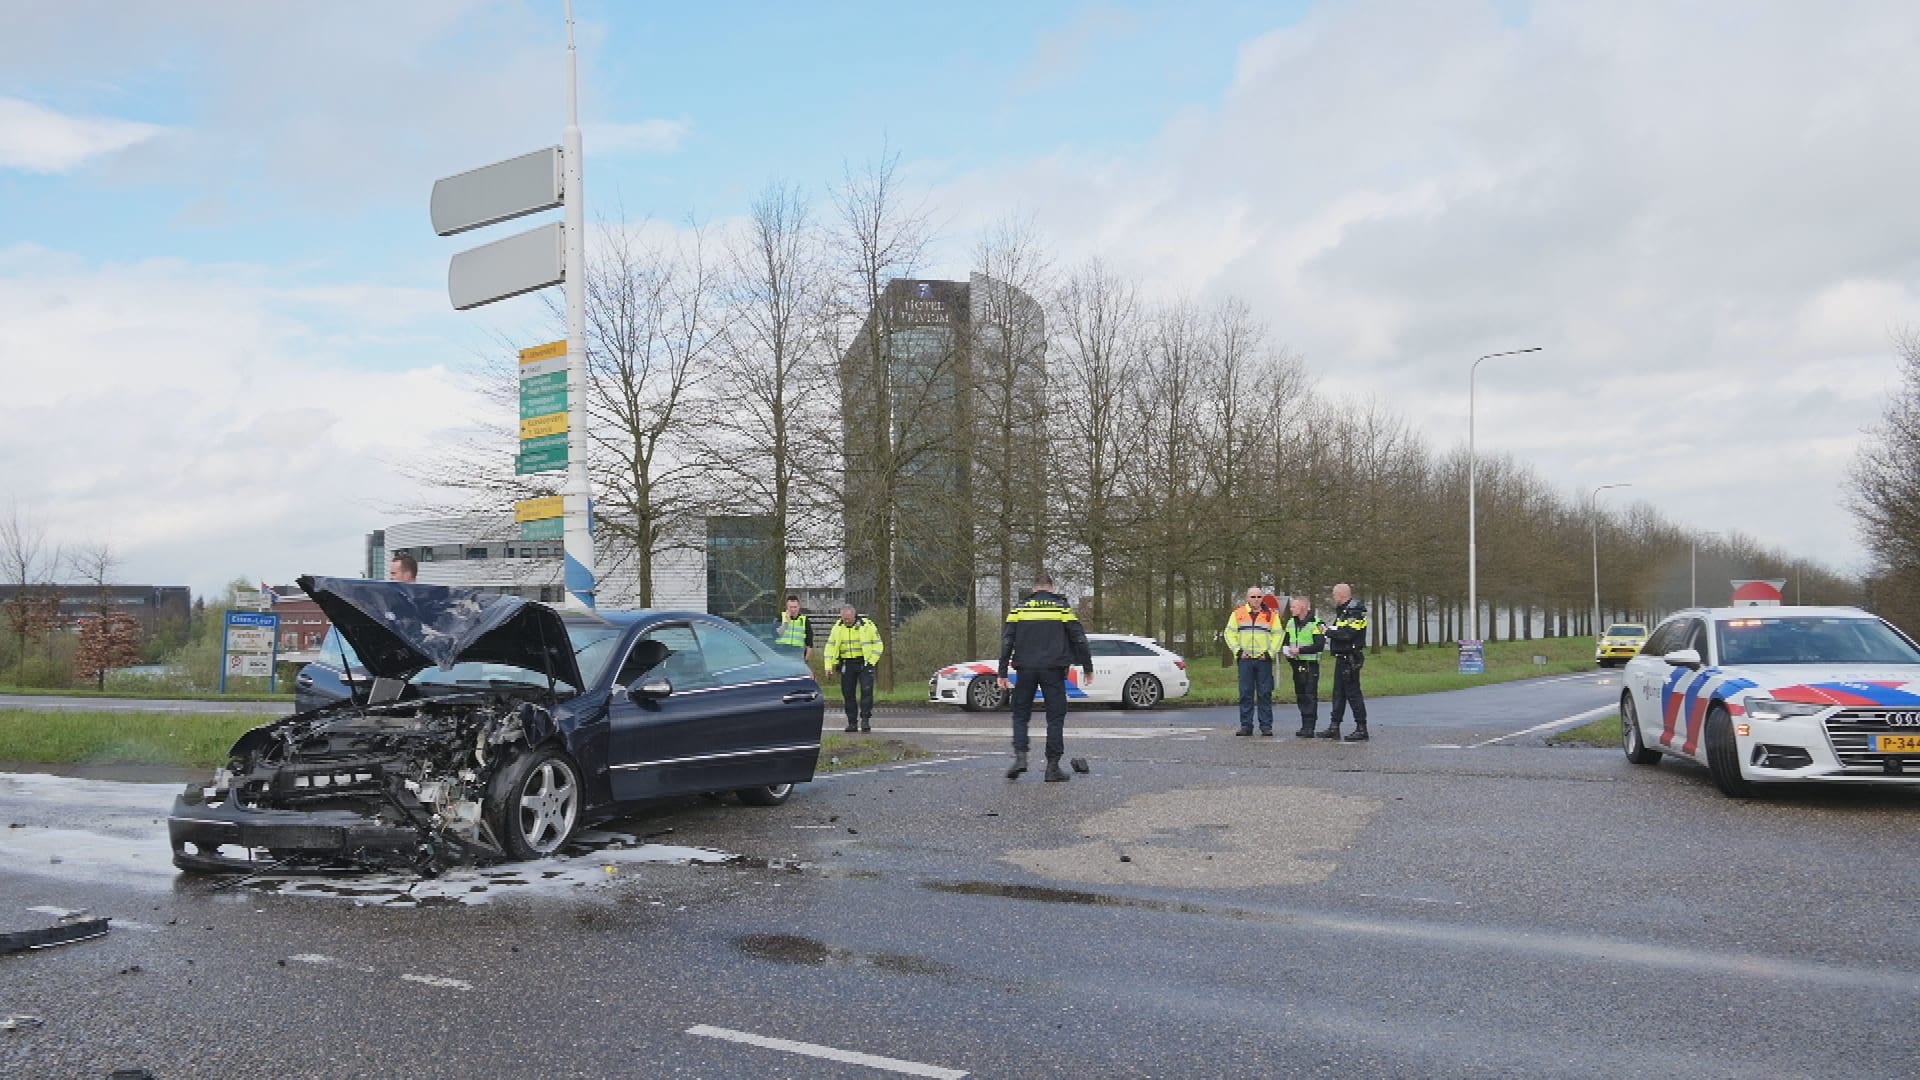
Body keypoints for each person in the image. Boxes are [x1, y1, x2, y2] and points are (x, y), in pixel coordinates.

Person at [998, 572, 1093, 782]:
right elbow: (1079, 638)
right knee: (1055, 717)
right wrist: (1087, 667)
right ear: (1051, 587)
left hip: (1025, 669)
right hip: (1053, 669)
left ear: (1034, 588)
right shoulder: (1061, 608)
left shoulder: (1019, 609)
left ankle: (1021, 758)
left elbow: (1007, 641)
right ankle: (1052, 767)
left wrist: (1002, 672)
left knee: (1020, 714)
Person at [1224, 585, 1280, 736]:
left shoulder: (1271, 615)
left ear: (1262, 598)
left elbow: (1278, 635)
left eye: (1259, 597)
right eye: (1253, 597)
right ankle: (1246, 726)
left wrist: (1270, 654)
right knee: (1245, 693)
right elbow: (1229, 634)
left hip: (1263, 660)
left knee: (1265, 693)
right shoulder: (1238, 614)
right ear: (1247, 598)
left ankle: (1266, 726)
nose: (1256, 600)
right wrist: (1238, 651)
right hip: (1245, 660)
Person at [1322, 582, 1370, 742]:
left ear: (1341, 595)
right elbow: (1341, 630)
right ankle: (1334, 726)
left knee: (1353, 694)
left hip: (1350, 658)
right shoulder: (1344, 611)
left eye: (1335, 595)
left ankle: (1361, 728)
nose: (1333, 598)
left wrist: (1328, 632)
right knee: (1338, 694)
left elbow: (1348, 634)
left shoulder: (1354, 612)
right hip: (1341, 657)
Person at [824, 605, 884, 733]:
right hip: (847, 664)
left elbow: (878, 644)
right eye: (844, 619)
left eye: (849, 619)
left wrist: (871, 661)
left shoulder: (867, 625)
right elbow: (830, 647)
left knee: (866, 691)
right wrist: (828, 666)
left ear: (854, 615)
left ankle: (865, 720)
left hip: (864, 662)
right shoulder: (837, 628)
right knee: (848, 693)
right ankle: (852, 722)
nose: (846, 621)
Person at [1280, 594, 1326, 738]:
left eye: (1294, 606)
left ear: (1303, 607)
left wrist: (1300, 650)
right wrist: (1287, 651)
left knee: (1310, 694)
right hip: (1296, 663)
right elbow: (1286, 641)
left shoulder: (1316, 623)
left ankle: (1310, 726)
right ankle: (1304, 724)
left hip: (1310, 664)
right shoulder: (1290, 623)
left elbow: (1319, 645)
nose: (1291, 609)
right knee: (1300, 694)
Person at [773, 594, 814, 663]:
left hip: (797, 655)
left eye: (795, 607)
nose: (793, 610)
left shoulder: (804, 620)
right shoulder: (780, 617)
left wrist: (806, 661)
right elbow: (775, 635)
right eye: (790, 607)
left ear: (799, 607)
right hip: (781, 653)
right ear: (787, 607)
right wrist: (786, 623)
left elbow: (809, 643)